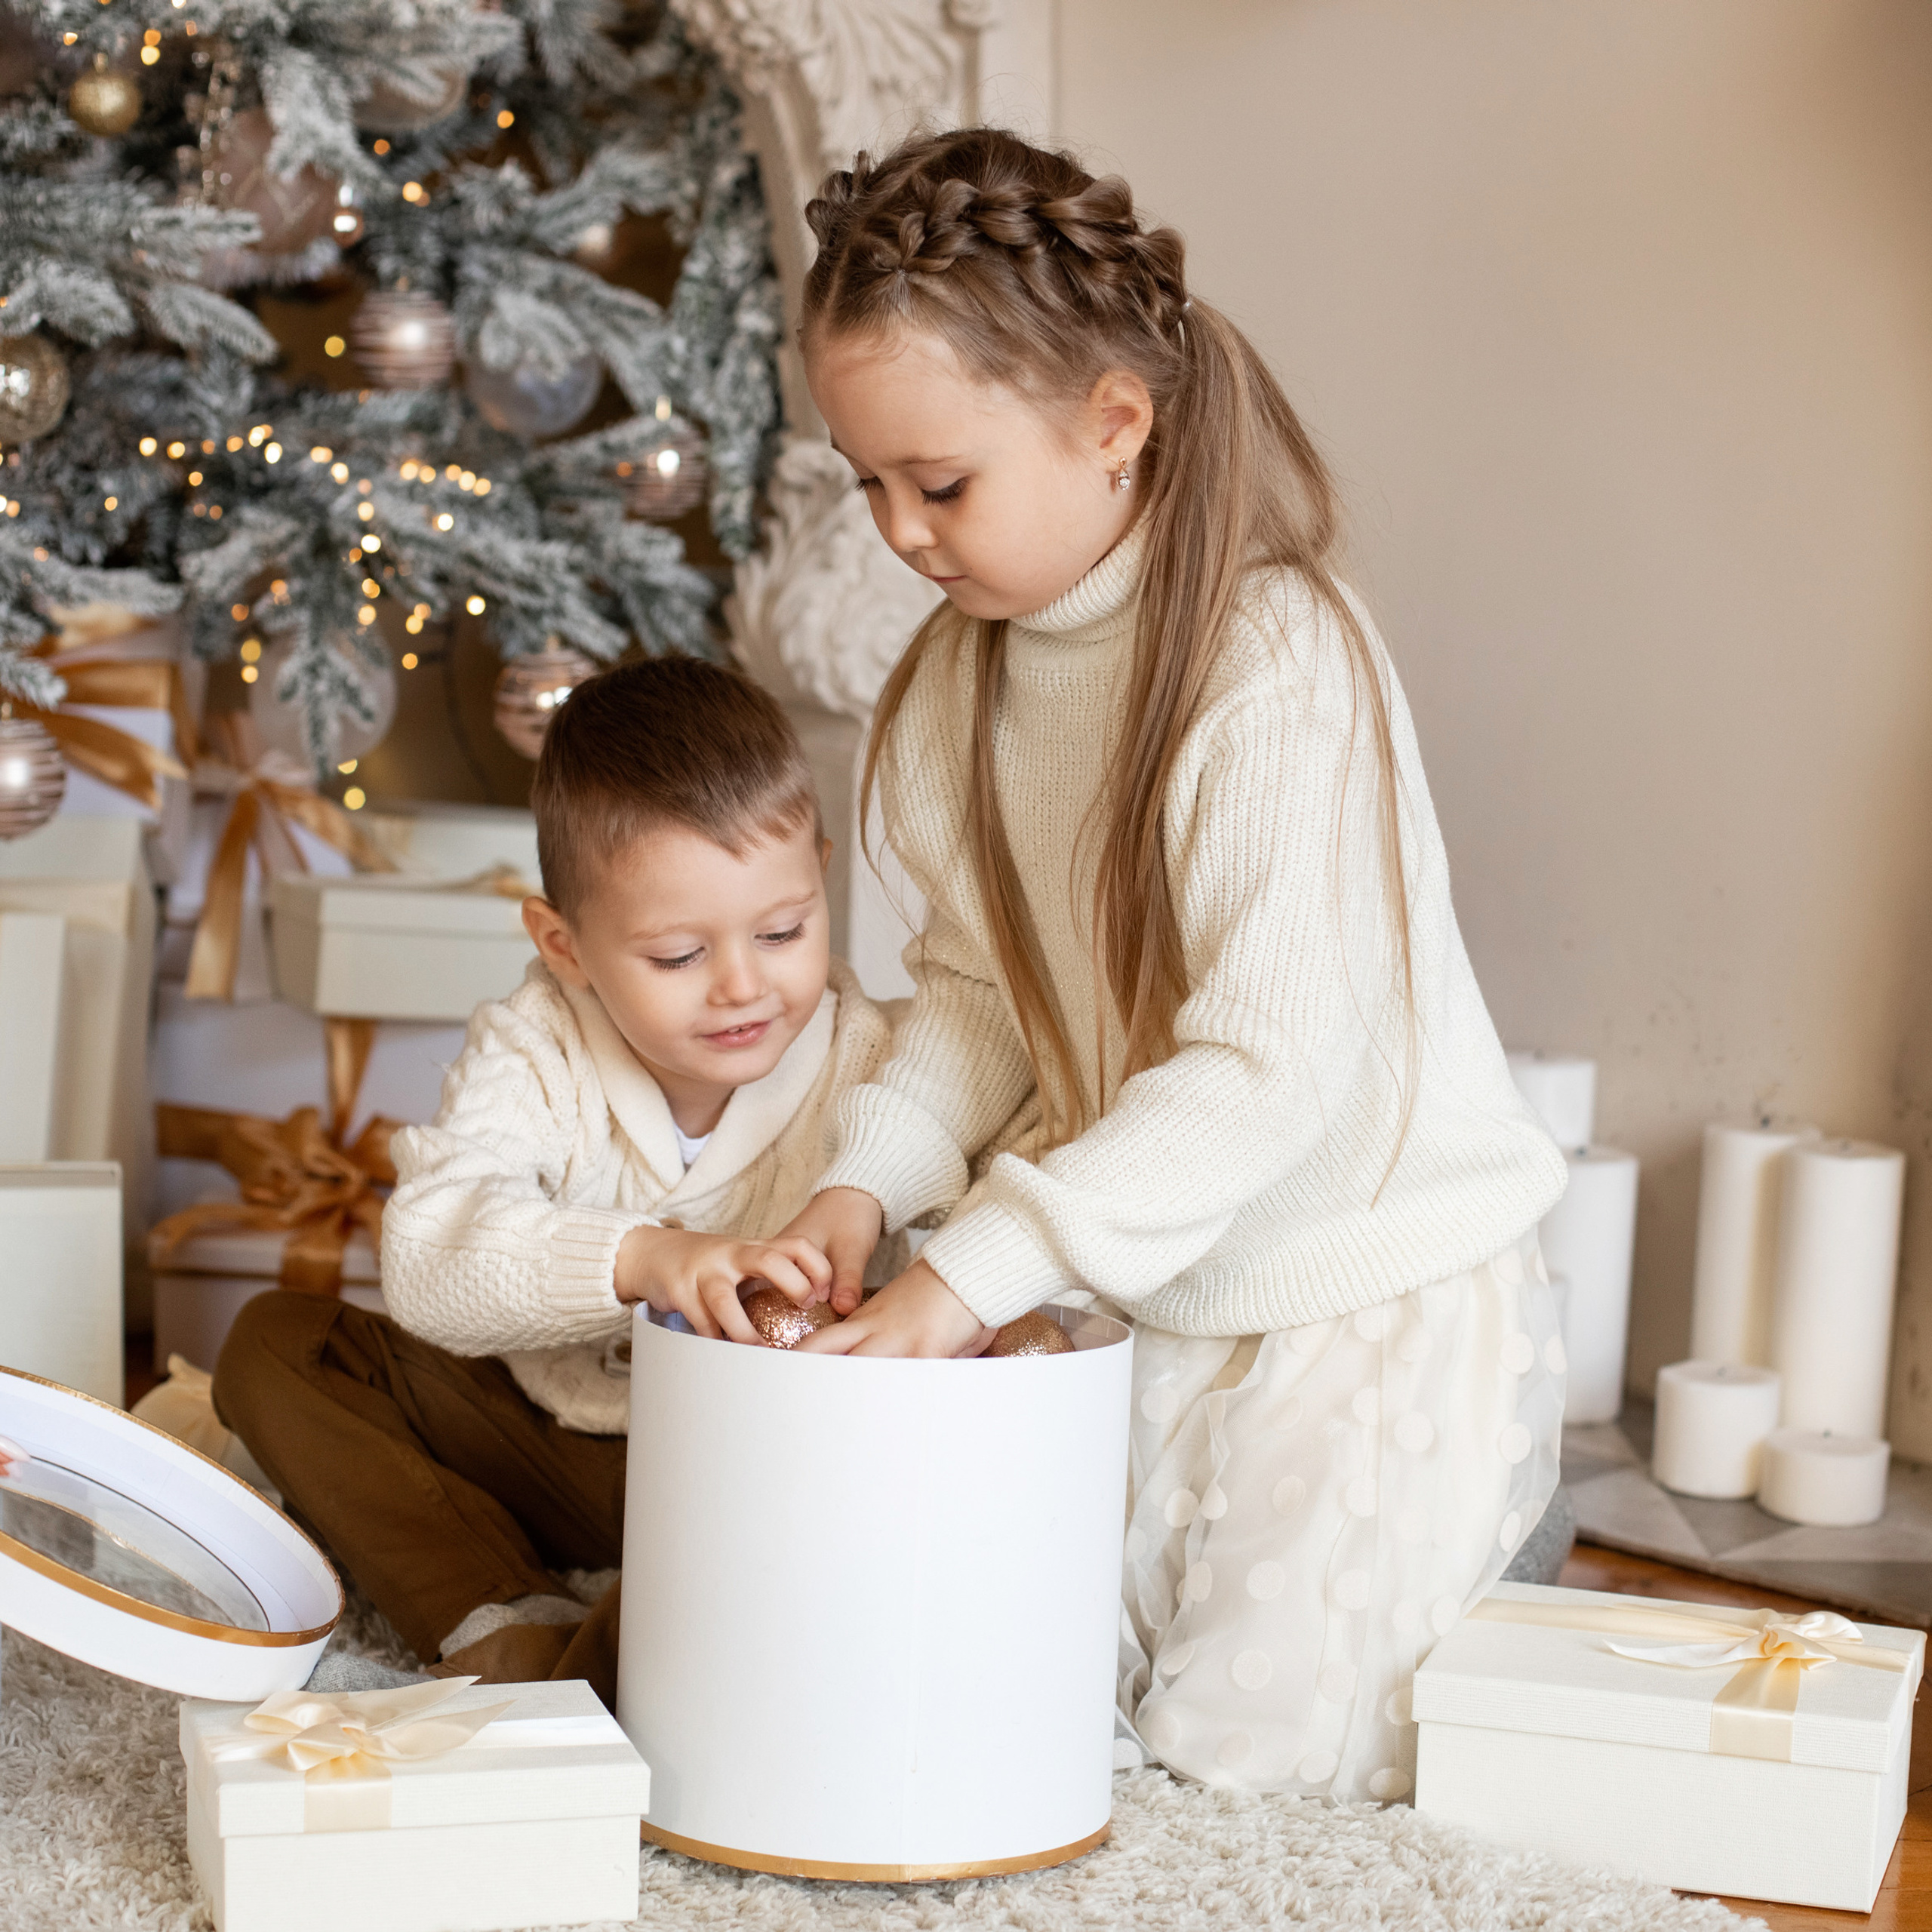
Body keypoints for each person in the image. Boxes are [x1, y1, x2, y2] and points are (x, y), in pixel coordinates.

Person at [777, 128, 1570, 1801]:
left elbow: (1262, 1072)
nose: (900, 534)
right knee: (1024, 1725)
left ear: (1111, 425)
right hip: (1145, 1283)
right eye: (867, 484)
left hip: (1356, 1296)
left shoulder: (1273, 665)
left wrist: (973, 1260)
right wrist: (864, 1189)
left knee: (1239, 1773)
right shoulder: (949, 691)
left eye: (941, 483)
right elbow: (977, 999)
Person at [214, 657, 900, 1706]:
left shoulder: (872, 1060)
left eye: (783, 931)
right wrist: (643, 1256)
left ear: (817, 874)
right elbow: (430, 1260)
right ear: (566, 946)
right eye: (677, 956)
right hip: (542, 1440)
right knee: (278, 1346)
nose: (744, 986)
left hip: (742, 1471)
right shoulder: (536, 1042)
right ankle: (504, 1613)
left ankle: (646, 1645)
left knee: (852, 1484)